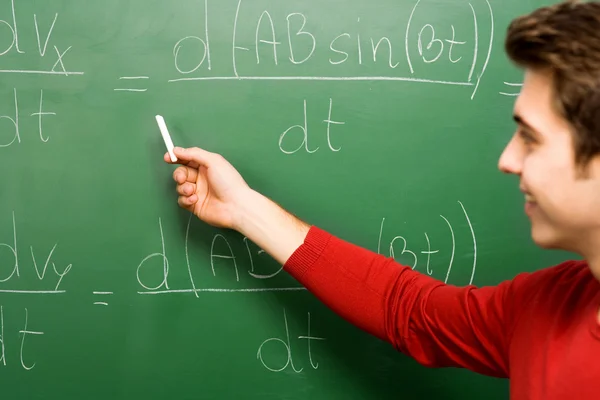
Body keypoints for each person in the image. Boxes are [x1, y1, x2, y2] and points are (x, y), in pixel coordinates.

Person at [164, 1, 600, 398]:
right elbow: (408, 310)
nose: (507, 159)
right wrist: (241, 207)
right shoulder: (552, 303)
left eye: (530, 138)